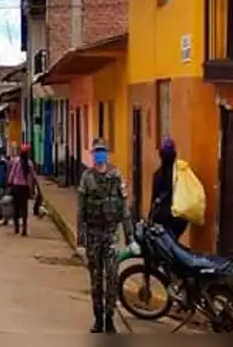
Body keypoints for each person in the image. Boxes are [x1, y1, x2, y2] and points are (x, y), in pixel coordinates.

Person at [76, 138, 134, 334]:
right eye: (96, 152)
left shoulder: (116, 176)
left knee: (112, 278)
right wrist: (80, 240)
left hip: (110, 235)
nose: (99, 156)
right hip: (93, 235)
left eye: (102, 152)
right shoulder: (87, 178)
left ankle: (109, 318)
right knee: (95, 280)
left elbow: (124, 210)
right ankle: (98, 318)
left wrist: (131, 237)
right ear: (93, 155)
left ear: (107, 155)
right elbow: (81, 211)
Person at [150, 137, 189, 241]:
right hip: (179, 218)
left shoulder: (157, 175)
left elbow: (154, 200)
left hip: (163, 219)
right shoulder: (181, 174)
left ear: (161, 155)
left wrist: (150, 219)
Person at [6, 143, 36, 236]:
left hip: (16, 187)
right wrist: (33, 187)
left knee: (16, 207)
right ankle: (24, 228)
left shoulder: (16, 161)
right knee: (24, 208)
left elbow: (12, 173)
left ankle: (16, 228)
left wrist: (9, 183)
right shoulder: (29, 163)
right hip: (25, 187)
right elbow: (34, 176)